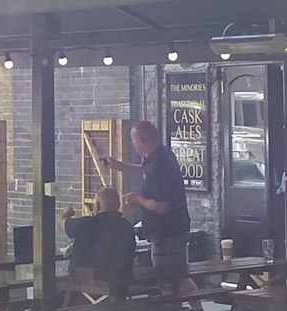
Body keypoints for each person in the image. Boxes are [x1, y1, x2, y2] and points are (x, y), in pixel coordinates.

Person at [98, 120, 192, 292]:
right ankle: (196, 306)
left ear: (141, 142)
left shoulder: (159, 165)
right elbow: (143, 171)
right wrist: (116, 165)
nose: (132, 143)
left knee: (167, 281)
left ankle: (172, 308)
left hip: (166, 234)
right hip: (175, 230)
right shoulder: (160, 155)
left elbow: (162, 206)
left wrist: (138, 200)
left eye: (133, 139)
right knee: (180, 277)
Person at [63, 188, 138, 298]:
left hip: (91, 282)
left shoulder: (87, 223)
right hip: (120, 283)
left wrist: (66, 213)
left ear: (97, 206)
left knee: (57, 283)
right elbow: (107, 247)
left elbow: (61, 225)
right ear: (118, 206)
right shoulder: (127, 227)